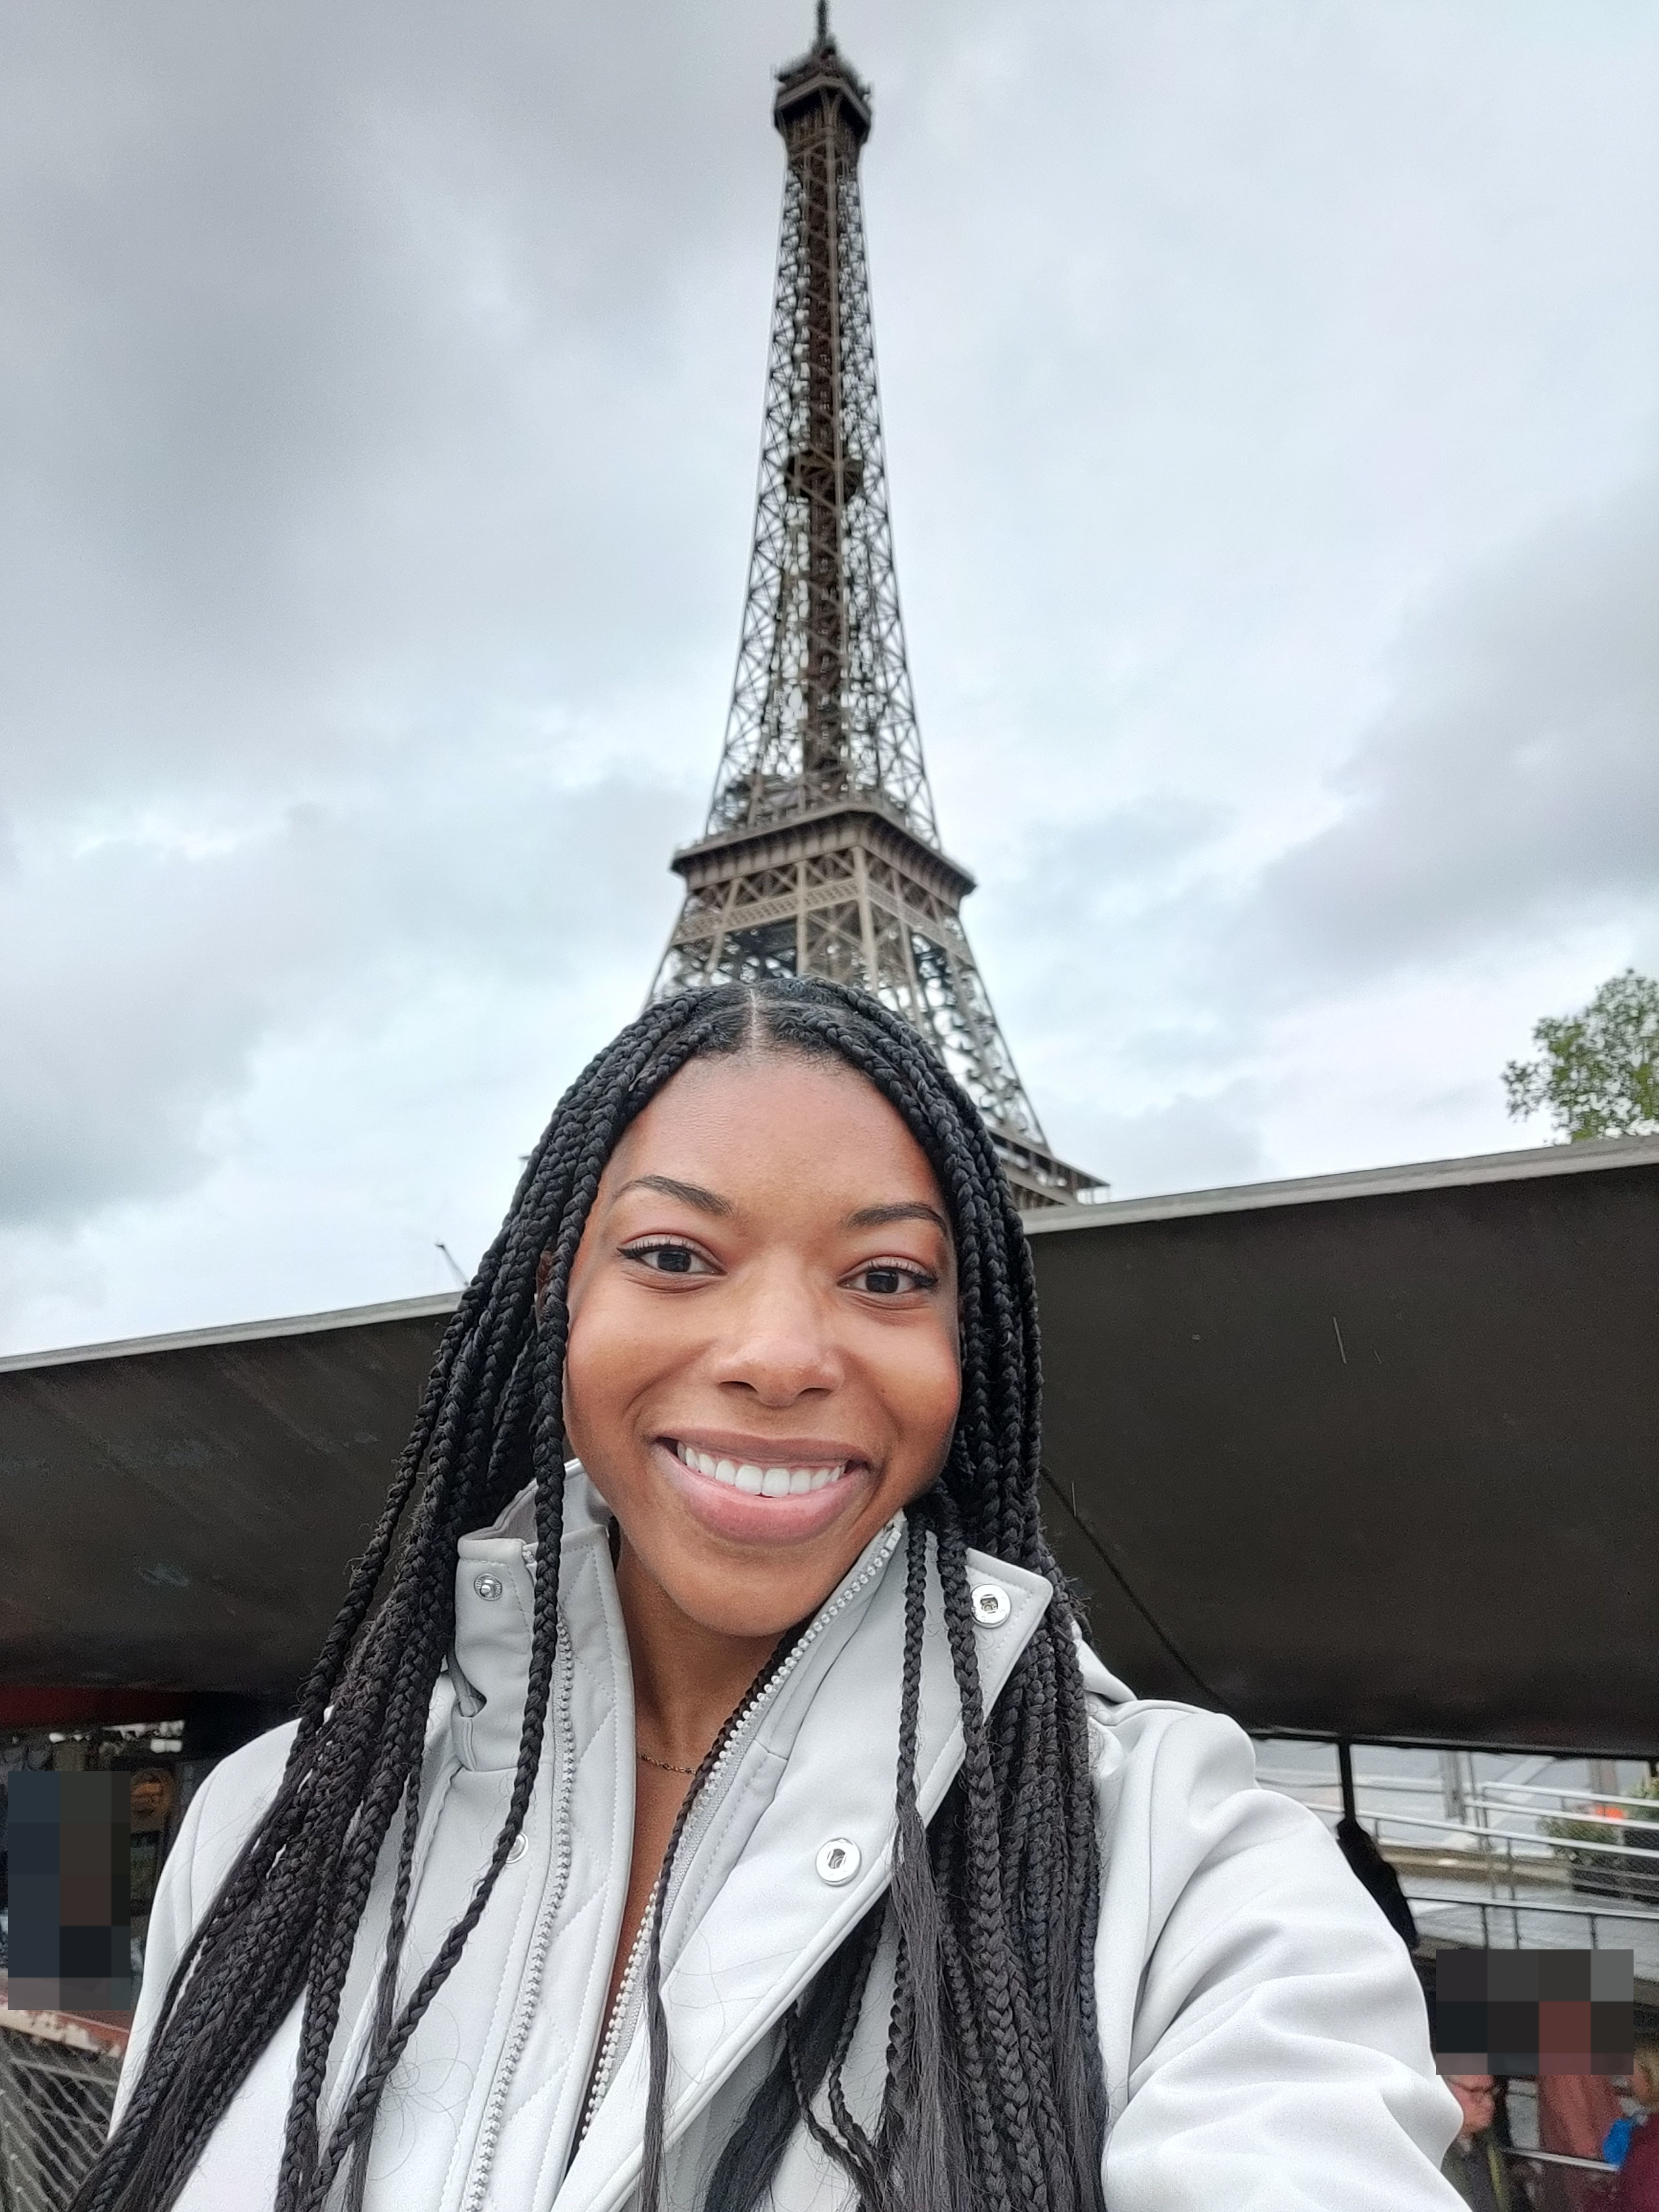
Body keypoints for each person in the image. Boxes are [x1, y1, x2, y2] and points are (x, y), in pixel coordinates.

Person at [82, 980, 1464, 2211]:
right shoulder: (273, 1825)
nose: (781, 1355)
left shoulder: (1187, 1876)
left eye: (885, 1277)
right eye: (676, 1257)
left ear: (967, 1347)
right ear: (559, 1300)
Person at [1441, 2075, 1519, 2210]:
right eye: (1475, 2092)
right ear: (1442, 2088)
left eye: (1491, 2091)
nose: (1489, 2104)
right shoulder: (1422, 2152)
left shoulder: (1488, 2143)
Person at [1611, 2041, 1659, 2212]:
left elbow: (1643, 2202)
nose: (1627, 2078)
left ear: (1652, 2076)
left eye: (1632, 2072)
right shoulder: (1646, 2129)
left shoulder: (1651, 2143)